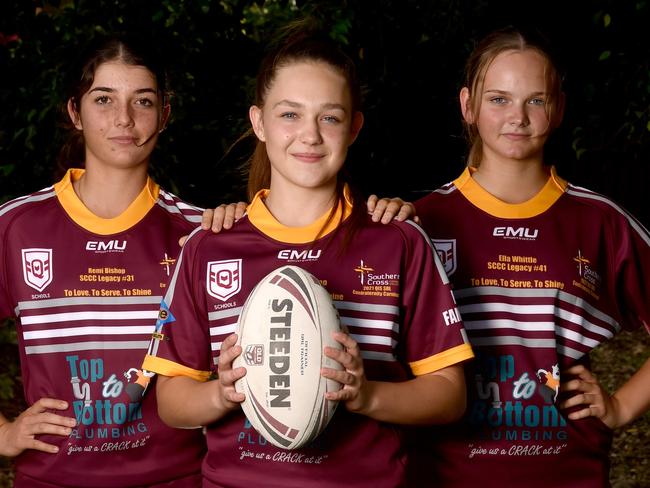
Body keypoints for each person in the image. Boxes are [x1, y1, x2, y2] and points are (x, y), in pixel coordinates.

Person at [142, 22, 474, 488]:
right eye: (290, 115)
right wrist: (224, 392)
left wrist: (366, 396)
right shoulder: (208, 245)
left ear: (354, 127)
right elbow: (171, 403)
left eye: (330, 117)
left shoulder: (398, 241)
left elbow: (448, 396)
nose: (311, 135)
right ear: (258, 122)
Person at [414, 27, 650, 487]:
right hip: (444, 473)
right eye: (498, 99)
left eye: (536, 100)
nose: (517, 117)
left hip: (566, 472)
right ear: (468, 105)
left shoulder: (600, 221)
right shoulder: (420, 224)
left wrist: (621, 407)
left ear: (558, 107)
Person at [0, 35, 234, 487]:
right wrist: (5, 434)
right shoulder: (17, 226)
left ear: (164, 115)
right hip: (53, 478)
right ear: (75, 112)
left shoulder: (200, 235)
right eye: (103, 99)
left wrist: (387, 218)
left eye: (142, 101)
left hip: (174, 478)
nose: (123, 119)